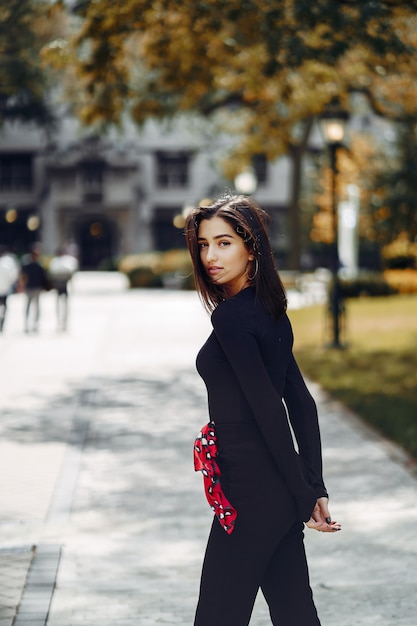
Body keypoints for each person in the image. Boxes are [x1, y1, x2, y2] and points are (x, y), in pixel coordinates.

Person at [185, 194, 341, 626]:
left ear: (251, 248)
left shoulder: (232, 318)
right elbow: (301, 404)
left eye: (223, 243)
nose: (210, 256)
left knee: (216, 616)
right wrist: (310, 486)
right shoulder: (271, 312)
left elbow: (272, 410)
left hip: (250, 494)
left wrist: (306, 491)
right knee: (295, 614)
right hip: (277, 493)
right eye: (203, 244)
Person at [48, 246, 79, 331]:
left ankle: (65, 322)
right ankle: (59, 321)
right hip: (58, 285)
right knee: (58, 305)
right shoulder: (54, 261)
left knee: (65, 305)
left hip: (64, 285)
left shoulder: (67, 261)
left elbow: (70, 273)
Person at [20, 245, 48, 333]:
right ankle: (27, 323)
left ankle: (35, 324)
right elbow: (23, 276)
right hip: (29, 288)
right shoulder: (27, 265)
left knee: (37, 306)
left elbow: (43, 278)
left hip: (37, 288)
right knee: (28, 306)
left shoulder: (39, 266)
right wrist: (22, 285)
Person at [0, 246, 20, 332]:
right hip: (5, 289)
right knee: (4, 306)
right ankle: (2, 321)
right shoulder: (8, 263)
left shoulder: (7, 262)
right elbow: (13, 276)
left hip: (4, 288)